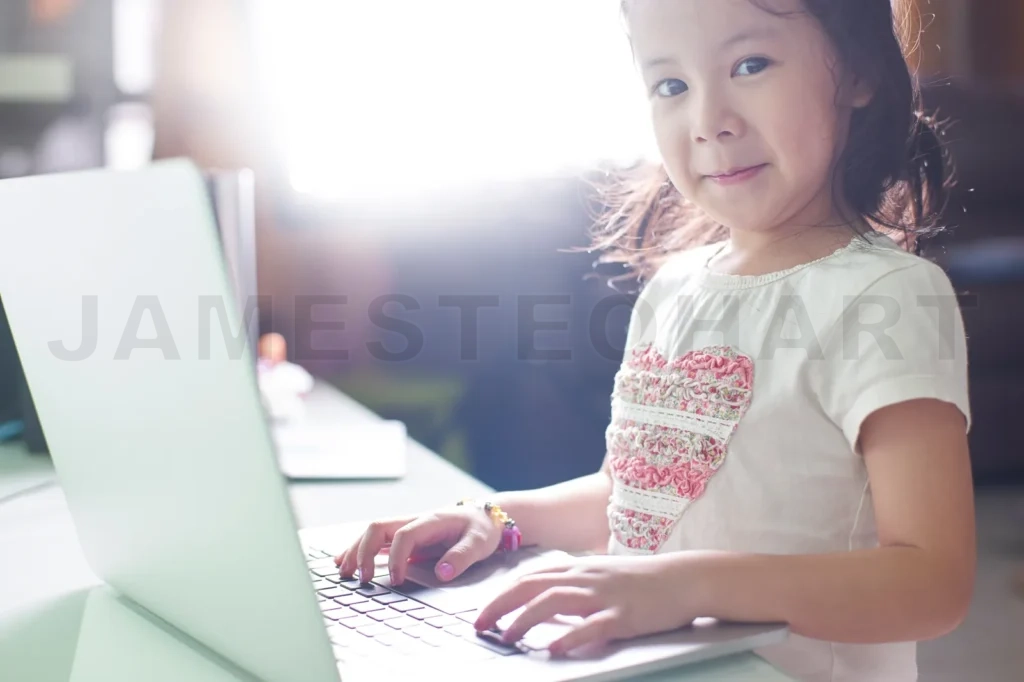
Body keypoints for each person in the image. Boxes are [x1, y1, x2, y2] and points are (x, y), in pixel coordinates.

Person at [334, 1, 976, 680]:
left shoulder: (886, 296)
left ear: (859, 71)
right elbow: (633, 498)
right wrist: (494, 517)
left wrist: (686, 587)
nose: (708, 121)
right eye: (671, 85)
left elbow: (931, 584)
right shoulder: (674, 288)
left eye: (750, 65)